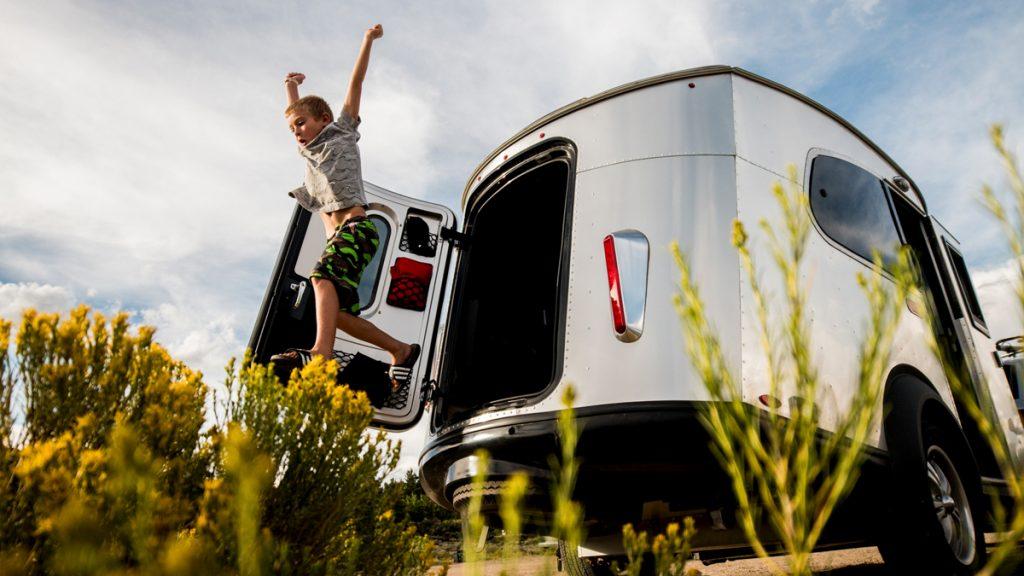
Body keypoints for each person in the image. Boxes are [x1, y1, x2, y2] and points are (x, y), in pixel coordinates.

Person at [271, 23, 419, 384]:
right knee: (335, 314)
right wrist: (291, 87)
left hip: (358, 228)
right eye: (292, 129)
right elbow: (295, 113)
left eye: (301, 124)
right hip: (342, 239)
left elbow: (356, 83)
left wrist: (368, 40)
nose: (297, 132)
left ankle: (321, 353)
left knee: (320, 278)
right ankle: (401, 350)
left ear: (324, 120)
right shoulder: (309, 155)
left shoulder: (342, 132)